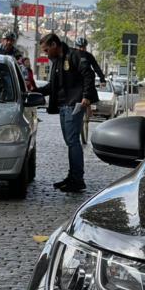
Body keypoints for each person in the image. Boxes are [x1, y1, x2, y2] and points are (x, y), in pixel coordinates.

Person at [37, 33, 98, 192]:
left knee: (73, 142)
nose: (45, 54)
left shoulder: (74, 55)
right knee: (70, 142)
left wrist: (86, 96)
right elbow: (52, 86)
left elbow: (88, 75)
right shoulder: (56, 61)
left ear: (53, 45)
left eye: (45, 50)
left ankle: (77, 179)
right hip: (63, 105)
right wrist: (34, 91)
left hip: (75, 103)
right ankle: (72, 177)